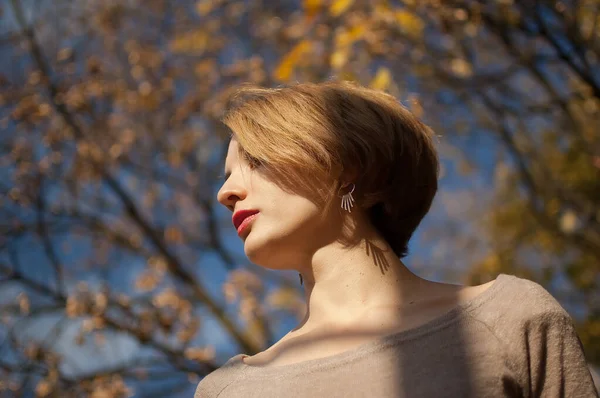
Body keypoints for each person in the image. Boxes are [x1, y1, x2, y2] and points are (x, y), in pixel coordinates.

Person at [195, 81, 598, 397]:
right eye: (227, 174)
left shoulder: (511, 318)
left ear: (348, 165)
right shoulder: (227, 390)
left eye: (256, 160)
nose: (225, 192)